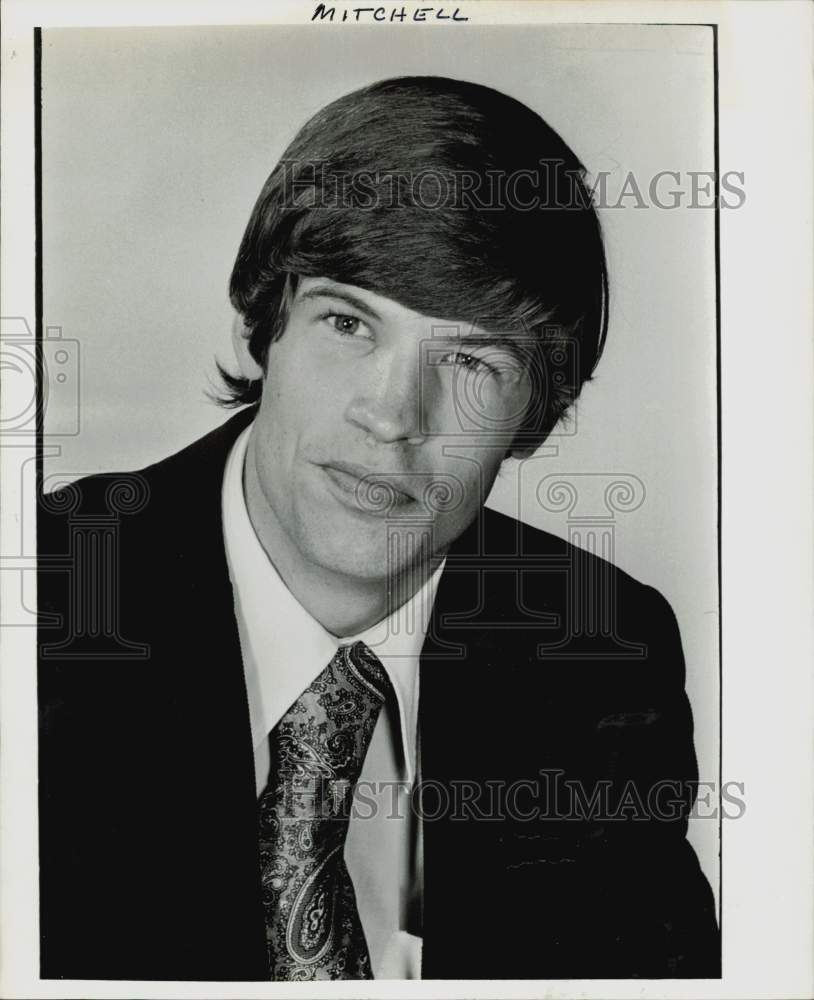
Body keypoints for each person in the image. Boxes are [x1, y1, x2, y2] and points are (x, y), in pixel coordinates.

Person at [37, 76, 720, 981]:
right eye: (349, 322)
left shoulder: (600, 646)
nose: (394, 416)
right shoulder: (41, 595)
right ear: (265, 323)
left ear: (532, 413)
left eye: (472, 360)